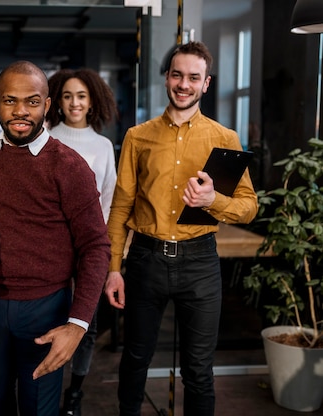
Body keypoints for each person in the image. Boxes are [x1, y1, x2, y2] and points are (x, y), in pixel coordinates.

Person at [103, 41, 258, 416]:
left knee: (199, 371)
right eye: (177, 75)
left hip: (200, 263)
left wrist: (213, 202)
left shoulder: (225, 139)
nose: (184, 84)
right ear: (167, 79)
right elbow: (121, 205)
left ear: (206, 83)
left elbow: (249, 208)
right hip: (145, 259)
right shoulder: (138, 137)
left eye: (193, 77)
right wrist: (113, 270)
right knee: (135, 359)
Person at [0, 60, 112, 416]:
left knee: (40, 408)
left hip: (46, 307)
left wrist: (78, 323)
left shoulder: (69, 166)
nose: (20, 111)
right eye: (10, 101)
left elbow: (96, 248)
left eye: (32, 101)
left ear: (47, 105)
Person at [46, 67, 118, 416]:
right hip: (50, 251)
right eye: (68, 96)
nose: (75, 103)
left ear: (92, 102)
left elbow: (107, 199)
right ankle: (45, 387)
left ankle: (74, 393)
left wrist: (99, 250)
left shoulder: (103, 146)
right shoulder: (46, 139)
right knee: (48, 318)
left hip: (89, 250)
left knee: (83, 324)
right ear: (58, 101)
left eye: (82, 96)